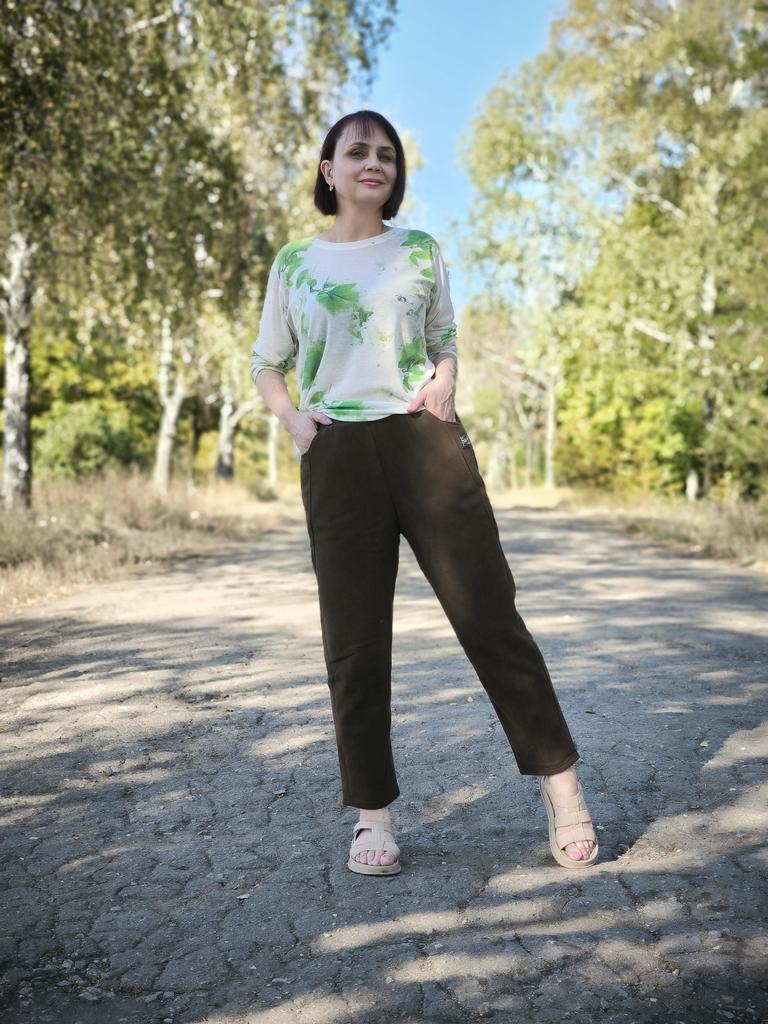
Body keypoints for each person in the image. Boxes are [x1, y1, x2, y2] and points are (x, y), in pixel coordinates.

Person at [250, 109, 598, 876]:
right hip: (337, 453)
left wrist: (445, 383)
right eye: (357, 152)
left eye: (386, 153)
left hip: (423, 440)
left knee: (490, 616)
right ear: (328, 170)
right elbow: (267, 360)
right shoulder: (296, 263)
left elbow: (444, 339)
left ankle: (562, 786)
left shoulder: (418, 250)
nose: (374, 162)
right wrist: (294, 421)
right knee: (354, 640)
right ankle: (372, 815)